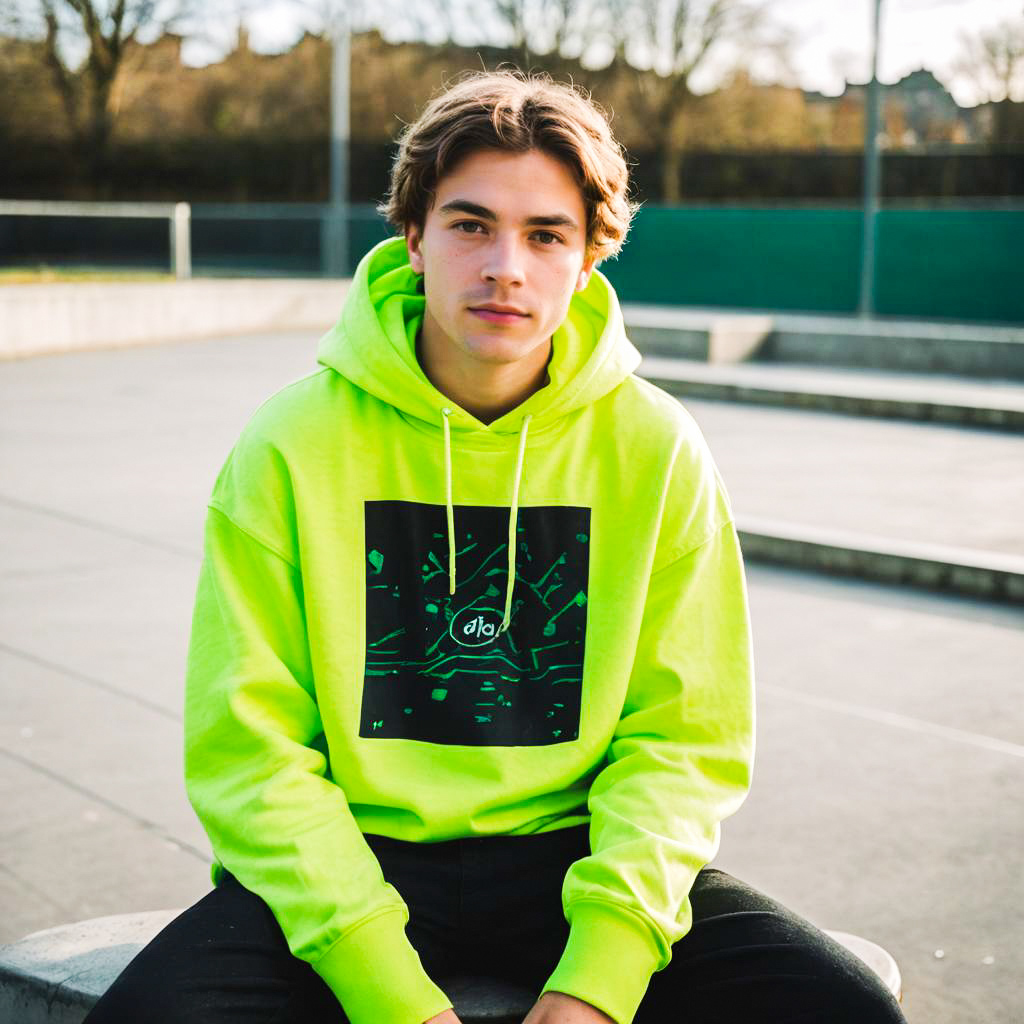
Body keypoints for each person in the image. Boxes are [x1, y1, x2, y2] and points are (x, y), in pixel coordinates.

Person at [84, 71, 906, 1024]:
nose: (505, 265)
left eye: (546, 234)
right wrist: (385, 986)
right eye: (471, 224)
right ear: (414, 240)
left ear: (590, 260)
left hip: (573, 851)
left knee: (842, 1012)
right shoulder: (290, 444)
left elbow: (684, 738)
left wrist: (602, 972)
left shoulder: (655, 446)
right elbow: (248, 748)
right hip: (350, 851)